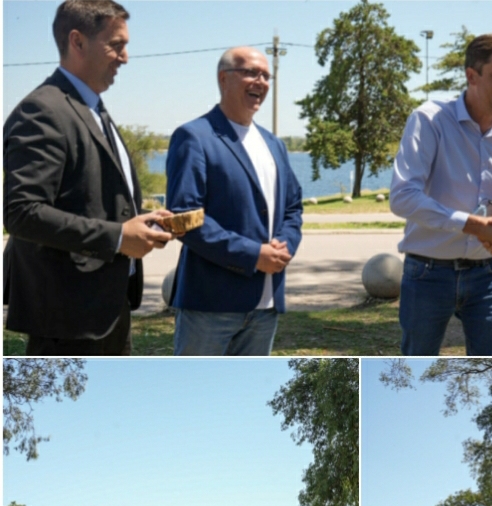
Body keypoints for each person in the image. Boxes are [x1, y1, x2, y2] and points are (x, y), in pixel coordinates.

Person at [3, 0, 175, 356]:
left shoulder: (93, 108)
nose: (125, 57)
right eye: (116, 45)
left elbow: (93, 197)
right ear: (77, 42)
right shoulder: (42, 110)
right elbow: (21, 212)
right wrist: (117, 237)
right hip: (69, 319)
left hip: (109, 308)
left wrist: (142, 223)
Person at [389, 33, 492, 356]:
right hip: (428, 273)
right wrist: (473, 225)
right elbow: (402, 196)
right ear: (472, 76)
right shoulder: (429, 120)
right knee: (416, 369)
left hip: (491, 274)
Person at [166, 46, 303, 356]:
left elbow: (293, 208)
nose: (261, 81)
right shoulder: (194, 137)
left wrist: (286, 244)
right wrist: (253, 254)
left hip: (266, 308)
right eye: (251, 72)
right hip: (210, 308)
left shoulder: (274, 144)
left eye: (267, 76)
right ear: (223, 78)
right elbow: (184, 219)